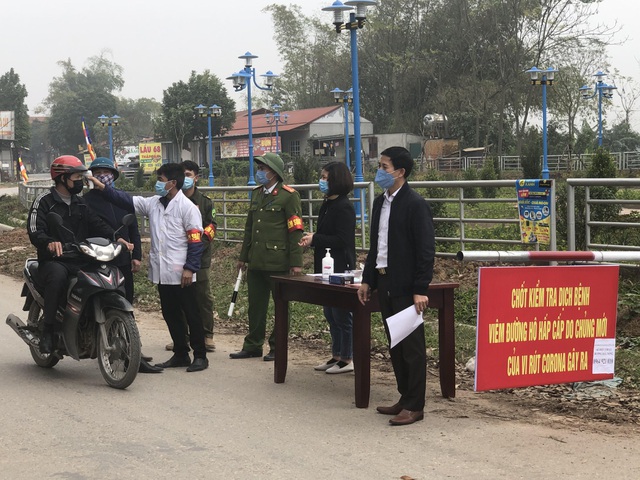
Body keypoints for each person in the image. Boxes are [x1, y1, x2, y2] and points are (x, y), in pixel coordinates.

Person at [90, 163, 209, 372]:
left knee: (192, 313)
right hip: (163, 271)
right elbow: (125, 200)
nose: (157, 184)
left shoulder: (187, 207)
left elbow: (195, 241)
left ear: (172, 183)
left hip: (182, 271)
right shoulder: (154, 203)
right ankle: (181, 353)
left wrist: (190, 268)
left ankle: (200, 356)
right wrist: (102, 187)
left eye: (161, 180)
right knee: (170, 313)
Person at [357, 146, 435, 426]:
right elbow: (376, 245)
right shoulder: (381, 202)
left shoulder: (415, 204)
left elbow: (426, 250)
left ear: (400, 172)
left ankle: (415, 405)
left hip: (406, 284)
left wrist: (420, 288)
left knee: (412, 347)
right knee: (395, 343)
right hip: (384, 280)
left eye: (384, 167)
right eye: (379, 166)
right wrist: (368, 279)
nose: (379, 171)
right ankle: (405, 397)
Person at [27, 155, 130, 354]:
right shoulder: (44, 201)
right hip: (55, 259)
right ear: (62, 178)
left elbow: (97, 223)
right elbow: (34, 229)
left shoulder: (80, 203)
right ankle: (48, 330)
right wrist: (48, 242)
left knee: (106, 272)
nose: (80, 182)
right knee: (57, 277)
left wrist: (117, 237)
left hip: (81, 256)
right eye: (76, 178)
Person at [83, 156, 163, 374]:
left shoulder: (123, 199)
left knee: (126, 303)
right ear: (91, 177)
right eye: (98, 173)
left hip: (123, 260)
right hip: (98, 259)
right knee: (99, 303)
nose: (102, 177)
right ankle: (102, 343)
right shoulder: (86, 201)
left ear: (114, 176)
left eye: (106, 173)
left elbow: (133, 229)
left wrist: (136, 255)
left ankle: (132, 348)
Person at [230, 153, 304, 361]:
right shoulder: (257, 194)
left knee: (280, 306)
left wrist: (296, 263)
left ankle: (277, 346)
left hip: (278, 261)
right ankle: (253, 345)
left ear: (274, 172)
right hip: (256, 260)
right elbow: (249, 228)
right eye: (259, 168)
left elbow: (295, 230)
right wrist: (243, 257)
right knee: (256, 306)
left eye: (263, 169)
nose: (260, 172)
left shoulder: (289, 196)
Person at [299, 161, 356, 374]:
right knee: (330, 314)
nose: (321, 181)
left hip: (340, 266)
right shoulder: (327, 203)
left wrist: (316, 239)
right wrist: (313, 238)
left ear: (336, 180)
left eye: (325, 178)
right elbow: (325, 234)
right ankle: (337, 354)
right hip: (325, 266)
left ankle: (348, 358)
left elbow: (342, 239)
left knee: (342, 315)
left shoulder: (344, 207)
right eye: (321, 177)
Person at [161, 160, 216, 352]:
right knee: (180, 298)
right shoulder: (171, 200)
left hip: (199, 258)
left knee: (202, 297)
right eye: (183, 174)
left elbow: (211, 228)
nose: (185, 178)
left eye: (189, 175)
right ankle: (181, 337)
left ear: (196, 177)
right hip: (176, 259)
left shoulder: (205, 202)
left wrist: (196, 246)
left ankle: (207, 335)